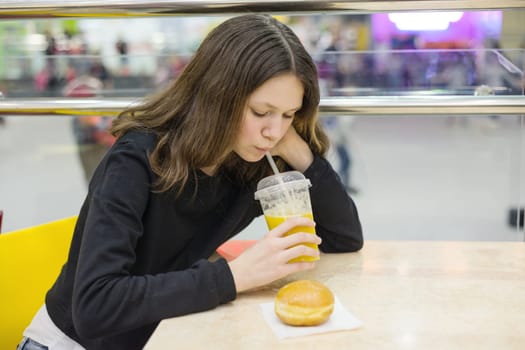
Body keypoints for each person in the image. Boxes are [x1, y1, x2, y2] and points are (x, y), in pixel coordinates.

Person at [19, 14, 363, 350]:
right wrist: (234, 276)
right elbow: (96, 306)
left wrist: (301, 152)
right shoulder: (138, 158)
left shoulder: (251, 161)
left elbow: (344, 237)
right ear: (219, 97)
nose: (273, 132)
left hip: (160, 334)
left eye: (288, 115)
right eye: (261, 112)